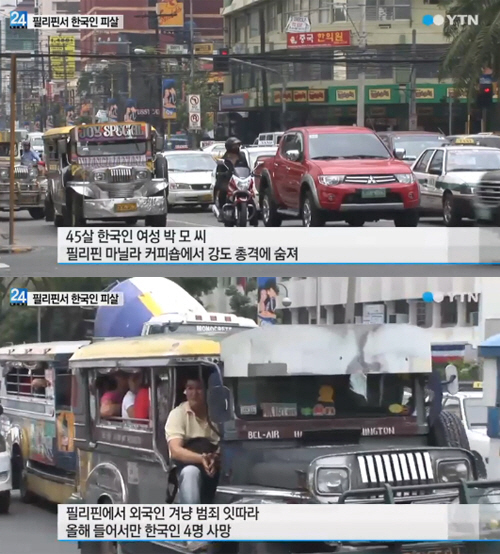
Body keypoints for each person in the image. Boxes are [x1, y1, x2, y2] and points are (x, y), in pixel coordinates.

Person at [165, 375, 219, 551]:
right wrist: (201, 459)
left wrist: (215, 458)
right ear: (185, 391)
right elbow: (175, 450)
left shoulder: (218, 413)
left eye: (199, 388)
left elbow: (230, 441)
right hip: (188, 466)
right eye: (190, 388)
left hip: (217, 463)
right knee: (190, 473)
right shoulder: (178, 414)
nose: (194, 393)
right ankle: (194, 533)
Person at [213, 137, 249, 222]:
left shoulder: (242, 156)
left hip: (239, 180)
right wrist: (223, 174)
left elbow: (246, 168)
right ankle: (222, 211)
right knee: (222, 190)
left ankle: (253, 215)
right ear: (229, 147)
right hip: (227, 181)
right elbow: (219, 171)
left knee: (250, 192)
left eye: (237, 145)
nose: (236, 147)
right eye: (234, 145)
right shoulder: (224, 158)